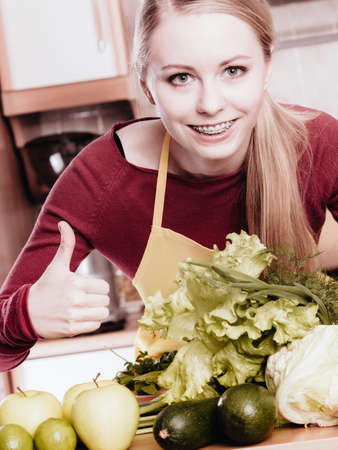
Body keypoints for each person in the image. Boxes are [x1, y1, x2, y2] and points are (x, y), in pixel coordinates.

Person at [0, 0, 337, 371]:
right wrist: (24, 314)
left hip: (304, 404)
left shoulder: (318, 143)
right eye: (181, 77)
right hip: (176, 412)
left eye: (234, 70)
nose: (210, 104)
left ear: (266, 66)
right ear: (146, 84)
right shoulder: (102, 178)